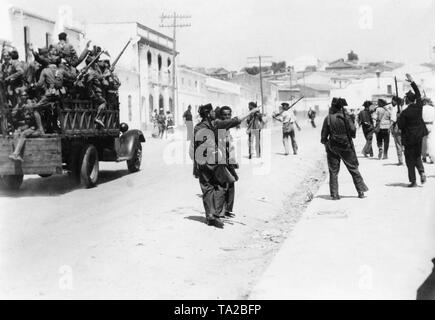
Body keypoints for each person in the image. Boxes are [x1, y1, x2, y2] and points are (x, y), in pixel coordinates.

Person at [191, 103, 260, 227]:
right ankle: (216, 214)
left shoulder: (197, 127)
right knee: (222, 185)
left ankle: (210, 216)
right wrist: (251, 111)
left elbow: (194, 148)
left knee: (207, 189)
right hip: (215, 160)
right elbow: (236, 120)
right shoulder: (216, 124)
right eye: (212, 111)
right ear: (208, 114)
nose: (214, 113)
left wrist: (195, 167)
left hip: (202, 162)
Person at [321, 97, 369, 200]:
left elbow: (323, 137)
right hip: (346, 146)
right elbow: (353, 130)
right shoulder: (346, 117)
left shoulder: (328, 118)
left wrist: (326, 144)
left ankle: (334, 195)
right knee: (353, 168)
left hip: (332, 146)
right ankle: (361, 191)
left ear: (333, 107)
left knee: (333, 171)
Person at [398, 74, 427, 187]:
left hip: (409, 138)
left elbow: (401, 126)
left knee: (409, 159)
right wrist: (412, 82)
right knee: (417, 156)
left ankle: (413, 180)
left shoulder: (405, 112)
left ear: (406, 100)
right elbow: (419, 94)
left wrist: (399, 117)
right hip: (419, 136)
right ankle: (422, 172)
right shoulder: (419, 107)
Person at [8, 89, 44, 162]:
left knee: (23, 134)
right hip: (29, 128)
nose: (23, 97)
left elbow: (35, 125)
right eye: (21, 95)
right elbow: (13, 114)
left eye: (24, 95)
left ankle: (15, 154)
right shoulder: (20, 104)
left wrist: (39, 129)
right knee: (16, 133)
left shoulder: (32, 108)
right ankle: (18, 155)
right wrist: (18, 107)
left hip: (36, 130)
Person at [217, 106, 238, 218]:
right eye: (224, 115)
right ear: (220, 116)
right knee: (224, 185)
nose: (226, 117)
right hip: (221, 161)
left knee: (230, 184)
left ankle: (228, 209)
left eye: (228, 115)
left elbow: (230, 146)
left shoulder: (228, 129)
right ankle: (222, 211)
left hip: (229, 160)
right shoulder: (220, 128)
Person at [390, 96, 404, 165]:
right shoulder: (403, 107)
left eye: (392, 100)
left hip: (397, 127)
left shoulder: (395, 108)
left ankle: (400, 160)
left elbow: (393, 120)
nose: (391, 102)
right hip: (405, 128)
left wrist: (391, 128)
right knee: (404, 144)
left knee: (398, 144)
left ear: (395, 101)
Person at [421, 98, 434, 164]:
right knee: (430, 141)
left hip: (424, 125)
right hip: (431, 125)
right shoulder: (432, 108)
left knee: (424, 141)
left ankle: (424, 157)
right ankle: (432, 157)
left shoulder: (422, 108)